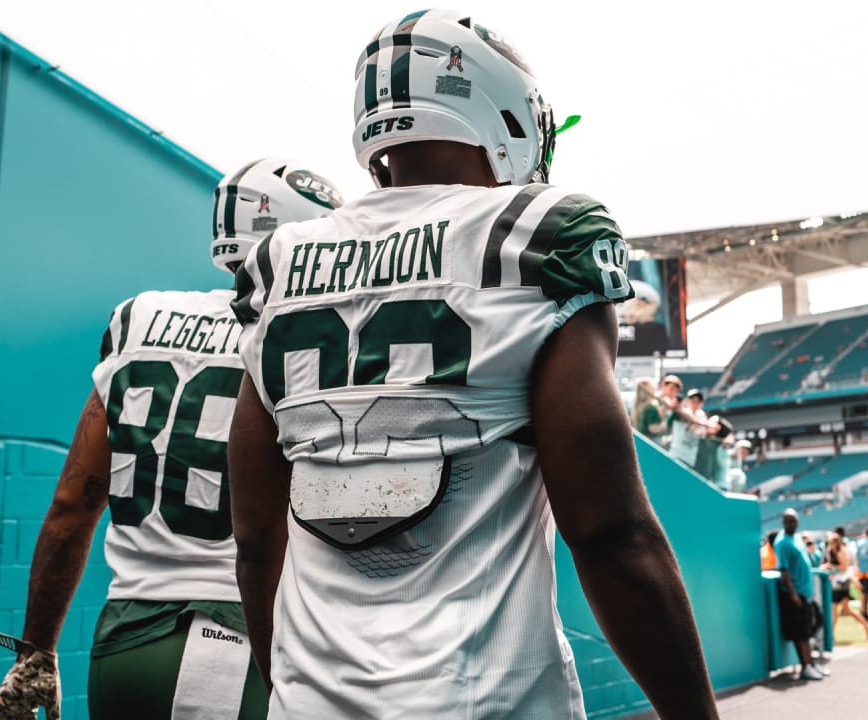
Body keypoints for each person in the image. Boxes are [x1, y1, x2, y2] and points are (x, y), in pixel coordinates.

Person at [226, 11, 718, 719]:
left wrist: (286, 692)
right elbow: (611, 534)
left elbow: (253, 536)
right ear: (505, 112)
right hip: (486, 699)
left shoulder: (276, 262)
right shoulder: (532, 236)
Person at [0, 158, 342, 720]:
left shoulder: (139, 320)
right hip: (240, 634)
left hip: (126, 642)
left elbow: (72, 505)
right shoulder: (298, 334)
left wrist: (36, 652)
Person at [773, 509, 827, 680]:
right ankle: (805, 666)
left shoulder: (796, 538)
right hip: (795, 593)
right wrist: (793, 593)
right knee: (800, 633)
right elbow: (784, 569)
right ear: (783, 522)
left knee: (811, 627)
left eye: (794, 521)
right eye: (789, 521)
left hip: (805, 591)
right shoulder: (782, 543)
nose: (792, 524)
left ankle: (810, 663)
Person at [825, 533, 868, 641]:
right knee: (845, 610)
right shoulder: (834, 551)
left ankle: (831, 635)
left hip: (841, 584)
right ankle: (867, 627)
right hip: (839, 583)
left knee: (836, 610)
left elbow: (844, 566)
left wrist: (832, 566)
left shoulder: (841, 552)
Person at [631, 376, 667, 441]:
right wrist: (664, 426)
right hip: (651, 443)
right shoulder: (651, 408)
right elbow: (653, 428)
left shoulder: (638, 407)